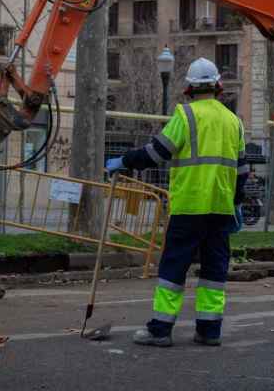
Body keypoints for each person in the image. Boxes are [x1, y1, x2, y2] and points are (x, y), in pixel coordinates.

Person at [106, 58, 248, 347]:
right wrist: (237, 203)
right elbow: (242, 170)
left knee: (174, 268)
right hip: (221, 209)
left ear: (189, 89)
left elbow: (156, 153)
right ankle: (209, 331)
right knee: (214, 273)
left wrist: (124, 161)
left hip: (189, 208)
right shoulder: (234, 121)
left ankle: (160, 330)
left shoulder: (186, 116)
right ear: (218, 86)